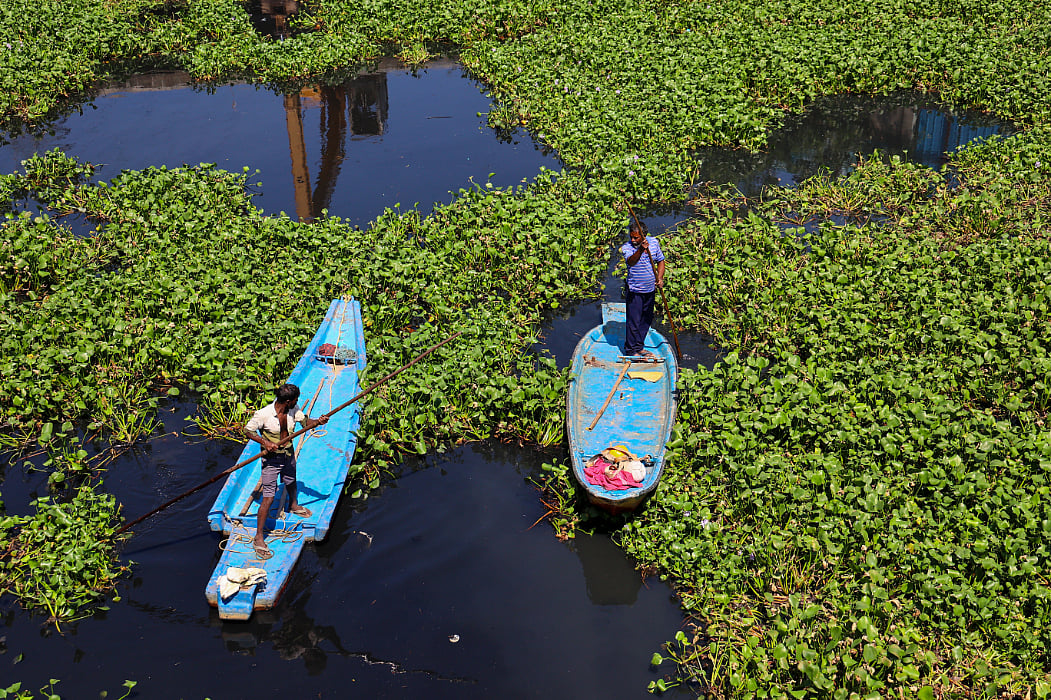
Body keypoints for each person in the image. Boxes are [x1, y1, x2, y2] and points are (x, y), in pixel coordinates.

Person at [244, 383, 328, 557]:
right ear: (288, 401)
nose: (297, 402)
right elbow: (247, 430)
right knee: (268, 496)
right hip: (271, 460)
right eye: (296, 399)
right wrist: (265, 443)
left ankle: (293, 505)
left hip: (288, 454)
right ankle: (258, 537)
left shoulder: (293, 409)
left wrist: (317, 422)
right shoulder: (264, 414)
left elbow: (305, 422)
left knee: (290, 480)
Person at [620, 220, 665, 357]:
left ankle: (639, 347)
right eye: (631, 237)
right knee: (634, 322)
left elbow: (661, 261)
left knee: (646, 320)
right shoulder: (627, 247)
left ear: (644, 236)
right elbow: (631, 262)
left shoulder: (654, 243)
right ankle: (630, 350)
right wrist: (641, 249)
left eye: (636, 238)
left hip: (650, 290)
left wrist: (660, 278)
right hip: (635, 290)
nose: (633, 240)